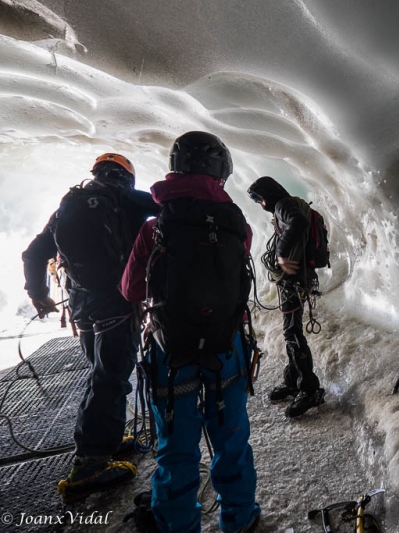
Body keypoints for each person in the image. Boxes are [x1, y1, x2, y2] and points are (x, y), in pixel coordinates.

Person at [120, 131, 260, 533]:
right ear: (221, 171)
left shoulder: (155, 226)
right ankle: (239, 518)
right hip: (226, 343)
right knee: (230, 435)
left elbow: (130, 289)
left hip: (171, 347)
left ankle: (177, 523)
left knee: (177, 447)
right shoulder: (238, 224)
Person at [21, 153, 159, 503]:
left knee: (102, 375)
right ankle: (91, 464)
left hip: (81, 309)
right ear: (127, 177)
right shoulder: (130, 199)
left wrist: (38, 293)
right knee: (109, 378)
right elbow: (172, 214)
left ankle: (107, 440)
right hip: (117, 306)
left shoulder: (70, 203)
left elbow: (34, 254)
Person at [247, 176, 326, 418]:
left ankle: (309, 388)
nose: (261, 204)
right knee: (290, 330)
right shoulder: (288, 204)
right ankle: (293, 380)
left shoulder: (283, 205)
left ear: (268, 195)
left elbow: (299, 223)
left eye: (260, 199)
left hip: (295, 279)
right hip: (301, 277)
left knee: (292, 332)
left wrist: (281, 254)